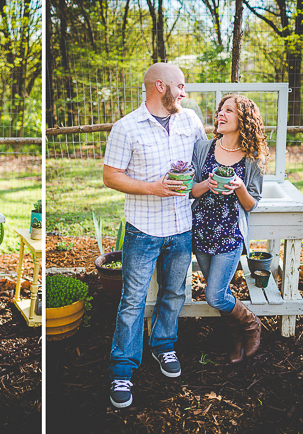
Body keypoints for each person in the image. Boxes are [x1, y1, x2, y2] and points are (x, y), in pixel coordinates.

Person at [102, 63, 207, 408]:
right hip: (143, 230)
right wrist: (152, 188)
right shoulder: (126, 127)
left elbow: (205, 159)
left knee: (174, 292)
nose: (184, 93)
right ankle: (123, 369)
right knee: (132, 301)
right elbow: (111, 176)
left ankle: (164, 346)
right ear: (160, 86)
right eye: (180, 86)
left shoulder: (190, 120)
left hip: (182, 227)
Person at [190, 94, 266, 363]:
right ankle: (236, 337)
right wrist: (207, 185)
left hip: (229, 236)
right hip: (201, 233)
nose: (220, 114)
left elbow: (251, 204)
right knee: (221, 292)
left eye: (228, 110)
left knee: (213, 295)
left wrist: (240, 188)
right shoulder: (203, 149)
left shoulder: (252, 158)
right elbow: (191, 189)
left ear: (242, 119)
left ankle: (251, 325)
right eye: (220, 110)